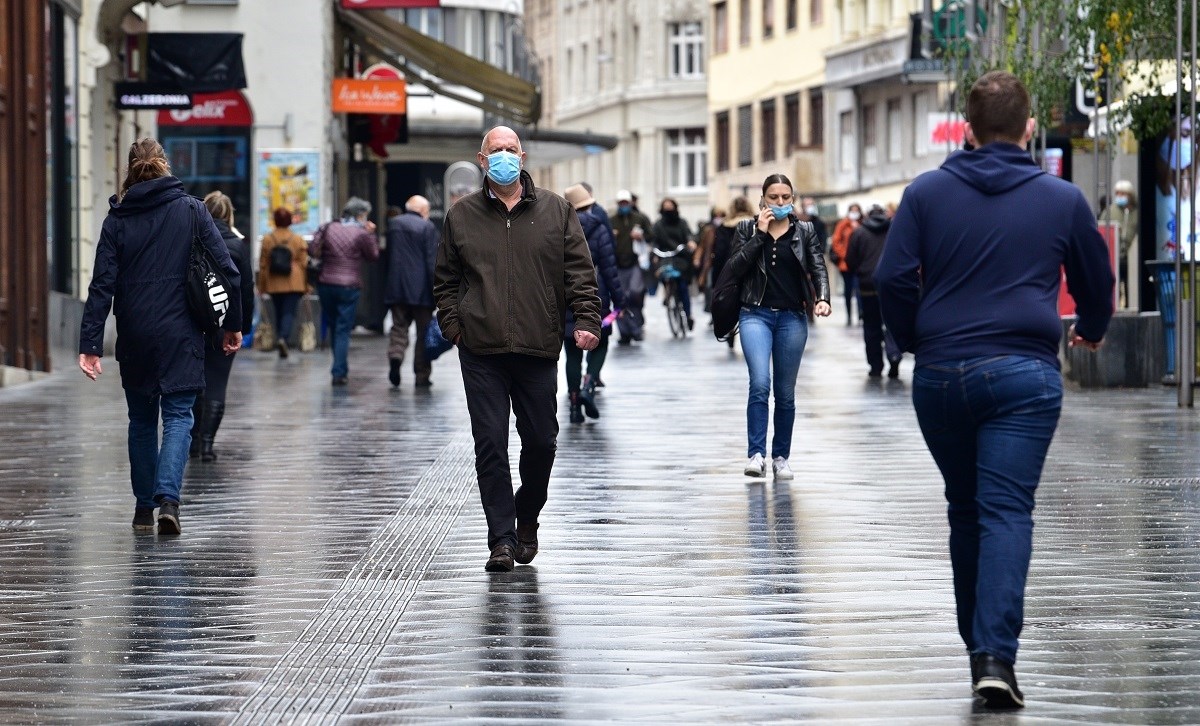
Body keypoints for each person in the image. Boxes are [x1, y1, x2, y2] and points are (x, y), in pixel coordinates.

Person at [875, 71, 1114, 710]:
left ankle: (976, 648)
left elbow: (893, 278)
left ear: (968, 127)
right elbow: (1096, 281)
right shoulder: (1060, 198)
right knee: (1006, 510)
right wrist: (1090, 329)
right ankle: (994, 656)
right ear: (1030, 128)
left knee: (965, 507)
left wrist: (916, 340)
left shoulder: (925, 194)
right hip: (1023, 375)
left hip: (943, 376)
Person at [434, 126, 601, 572]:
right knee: (489, 444)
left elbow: (580, 273)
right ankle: (502, 540)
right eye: (496, 151)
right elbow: (446, 280)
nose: (504, 156)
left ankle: (527, 518)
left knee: (542, 442)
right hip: (481, 348)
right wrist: (455, 326)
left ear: (522, 156)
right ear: (482, 158)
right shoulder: (462, 215)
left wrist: (586, 320)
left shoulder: (557, 210)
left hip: (537, 345)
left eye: (511, 150)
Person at [78, 138, 242, 535]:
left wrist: (90, 344)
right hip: (181, 329)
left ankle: (141, 509)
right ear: (166, 165)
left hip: (134, 331)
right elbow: (228, 270)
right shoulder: (191, 210)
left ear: (129, 170)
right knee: (178, 415)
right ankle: (169, 500)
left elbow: (102, 285)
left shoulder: (117, 219)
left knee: (140, 419)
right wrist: (231, 324)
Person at [724, 174, 831, 481]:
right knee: (759, 383)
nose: (781, 203)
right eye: (774, 197)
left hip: (791, 318)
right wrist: (759, 235)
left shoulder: (805, 231)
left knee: (785, 393)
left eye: (786, 197)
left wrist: (822, 299)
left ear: (793, 198)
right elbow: (734, 267)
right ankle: (756, 454)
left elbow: (818, 266)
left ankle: (781, 456)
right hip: (754, 314)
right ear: (764, 199)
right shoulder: (746, 228)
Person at [190, 191, 254, 462]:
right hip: (224, 323)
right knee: (216, 383)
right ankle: (206, 445)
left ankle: (192, 440)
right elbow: (246, 289)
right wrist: (241, 325)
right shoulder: (237, 245)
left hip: (192, 321)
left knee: (192, 383)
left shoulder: (192, 240)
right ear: (229, 215)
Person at [563, 184, 625, 423]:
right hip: (596, 295)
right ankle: (589, 384)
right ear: (590, 205)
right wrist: (620, 301)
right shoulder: (599, 229)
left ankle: (574, 404)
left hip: (566, 297)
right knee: (600, 343)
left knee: (572, 353)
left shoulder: (560, 229)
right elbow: (610, 269)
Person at [309, 197, 380, 386]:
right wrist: (371, 234)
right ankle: (339, 372)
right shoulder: (361, 233)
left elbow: (312, 248)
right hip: (349, 286)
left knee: (334, 326)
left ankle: (339, 367)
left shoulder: (328, 227)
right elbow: (373, 255)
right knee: (343, 329)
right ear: (360, 215)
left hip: (326, 283)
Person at [384, 194, 439, 388]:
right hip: (421, 290)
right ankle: (421, 375)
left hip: (397, 286)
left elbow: (389, 255)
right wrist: (437, 289)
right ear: (423, 211)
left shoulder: (394, 225)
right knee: (423, 332)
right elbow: (432, 262)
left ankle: (396, 356)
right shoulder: (427, 227)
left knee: (399, 327)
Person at [845, 204, 902, 379]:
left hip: (867, 285)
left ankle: (875, 367)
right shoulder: (895, 230)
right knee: (893, 323)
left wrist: (860, 272)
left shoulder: (859, 233)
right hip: (892, 285)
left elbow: (850, 260)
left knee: (871, 327)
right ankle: (894, 355)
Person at [257, 206, 308, 359]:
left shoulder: (268, 239)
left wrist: (261, 286)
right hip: (294, 281)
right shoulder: (297, 239)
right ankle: (283, 338)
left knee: (279, 311)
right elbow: (304, 262)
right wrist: (307, 285)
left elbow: (263, 263)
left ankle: (281, 337)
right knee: (288, 311)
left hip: (274, 280)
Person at [611, 189, 654, 344]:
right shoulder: (611, 220)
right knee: (620, 298)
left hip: (635, 261)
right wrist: (612, 235)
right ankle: (625, 332)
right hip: (617, 263)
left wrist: (641, 236)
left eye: (626, 203)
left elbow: (651, 235)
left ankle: (636, 327)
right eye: (621, 203)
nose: (624, 205)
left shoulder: (640, 218)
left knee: (635, 294)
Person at [652, 197, 697, 330]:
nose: (668, 211)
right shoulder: (658, 225)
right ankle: (667, 292)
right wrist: (654, 252)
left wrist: (690, 242)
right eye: (666, 208)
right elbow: (654, 240)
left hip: (680, 255)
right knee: (662, 273)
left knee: (683, 287)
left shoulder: (681, 222)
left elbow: (689, 235)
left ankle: (688, 315)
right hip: (665, 256)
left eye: (670, 208)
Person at [830, 203, 862, 325]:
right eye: (852, 210)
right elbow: (836, 242)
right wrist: (846, 255)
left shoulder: (862, 224)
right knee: (848, 290)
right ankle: (849, 315)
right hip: (845, 264)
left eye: (856, 210)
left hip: (859, 264)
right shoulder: (843, 224)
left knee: (858, 289)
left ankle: (860, 314)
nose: (854, 213)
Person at [1112, 179, 1139, 306]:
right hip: (1115, 256)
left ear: (1130, 195)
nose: (1119, 196)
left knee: (1131, 285)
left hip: (1132, 258)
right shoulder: (1111, 211)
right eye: (1117, 193)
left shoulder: (1137, 212)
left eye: (1123, 193)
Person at [694, 205, 726, 309]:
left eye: (721, 216)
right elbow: (702, 246)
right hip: (711, 262)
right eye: (716, 216)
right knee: (710, 285)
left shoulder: (728, 229)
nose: (718, 218)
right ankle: (711, 308)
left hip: (725, 261)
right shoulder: (709, 230)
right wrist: (697, 258)